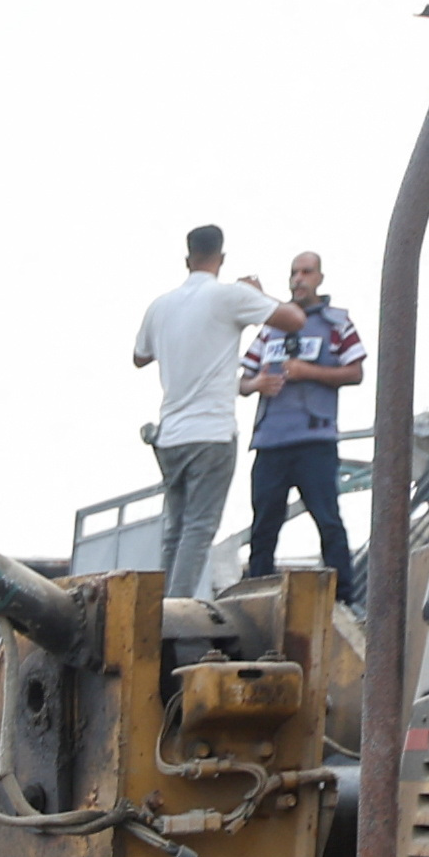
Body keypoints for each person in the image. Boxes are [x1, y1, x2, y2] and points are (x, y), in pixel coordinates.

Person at [137, 227, 278, 600]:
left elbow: (139, 357)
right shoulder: (229, 296)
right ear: (222, 258)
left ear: (188, 259)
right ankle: (176, 606)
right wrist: (254, 295)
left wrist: (177, 341)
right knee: (198, 529)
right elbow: (291, 319)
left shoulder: (161, 306)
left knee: (175, 529)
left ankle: (162, 603)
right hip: (211, 434)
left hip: (170, 435)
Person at [241, 250, 368, 603]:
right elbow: (241, 380)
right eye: (294, 272)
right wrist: (257, 385)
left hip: (315, 440)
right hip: (271, 442)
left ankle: (345, 600)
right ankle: (258, 599)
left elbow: (355, 372)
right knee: (263, 528)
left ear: (320, 278)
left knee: (328, 522)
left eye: (306, 272)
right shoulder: (270, 329)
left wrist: (309, 372)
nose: (298, 278)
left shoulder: (336, 323)